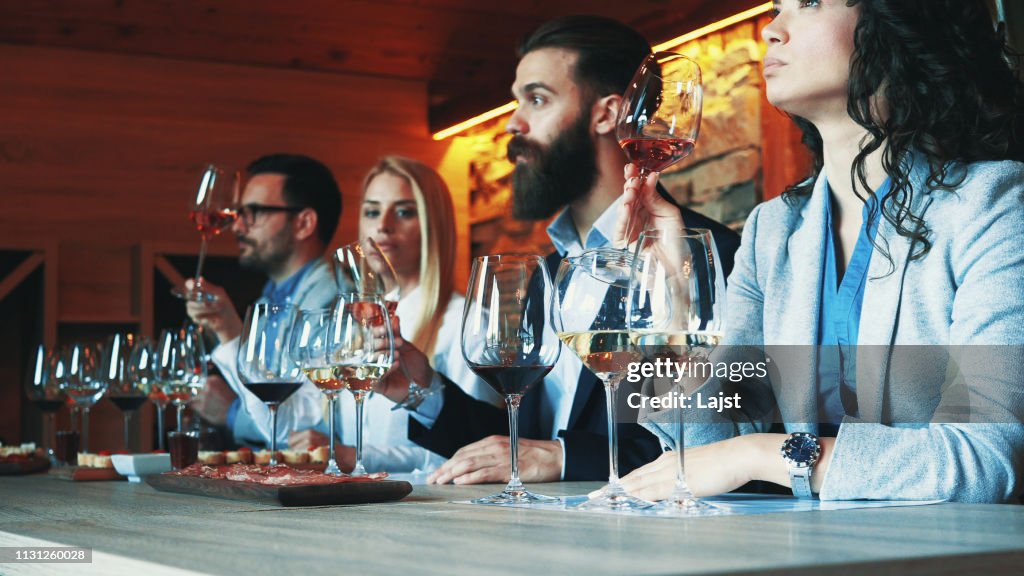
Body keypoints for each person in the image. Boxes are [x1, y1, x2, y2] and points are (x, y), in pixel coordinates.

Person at [616, 0, 1024, 503]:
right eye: (775, 8)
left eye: (807, 4)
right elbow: (701, 439)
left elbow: (984, 463)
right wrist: (676, 293)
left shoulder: (995, 205)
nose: (771, 30)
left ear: (893, 23)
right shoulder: (774, 229)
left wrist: (761, 454)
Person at [375, 15, 741, 484]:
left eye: (537, 98)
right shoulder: (550, 270)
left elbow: (724, 434)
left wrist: (566, 457)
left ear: (607, 114)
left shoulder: (714, 255)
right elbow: (522, 445)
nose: (512, 122)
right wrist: (419, 390)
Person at [287, 156, 494, 473]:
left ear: (432, 225)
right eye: (372, 211)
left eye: (404, 212)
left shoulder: (466, 322)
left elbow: (472, 450)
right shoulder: (357, 325)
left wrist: (354, 455)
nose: (382, 225)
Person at [186, 153, 342, 448]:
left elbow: (314, 431)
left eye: (253, 212)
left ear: (304, 223)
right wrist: (227, 328)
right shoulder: (267, 300)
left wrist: (231, 414)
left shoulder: (332, 303)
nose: (237, 227)